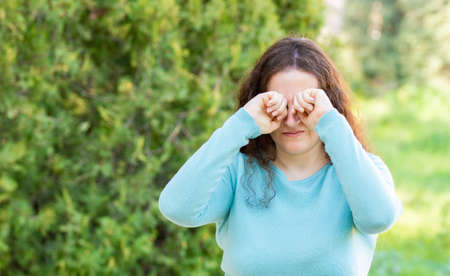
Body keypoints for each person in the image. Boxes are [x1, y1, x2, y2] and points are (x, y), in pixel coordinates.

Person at [158, 36, 403, 276]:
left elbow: (379, 219)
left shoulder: (360, 171)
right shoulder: (237, 171)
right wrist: (242, 124)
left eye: (304, 106)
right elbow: (177, 208)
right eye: (280, 106)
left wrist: (331, 124)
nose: (290, 119)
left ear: (329, 105)